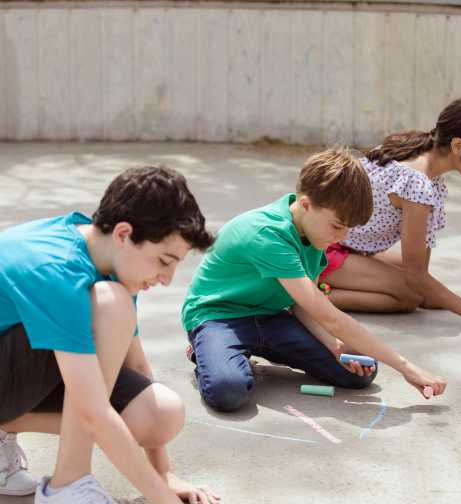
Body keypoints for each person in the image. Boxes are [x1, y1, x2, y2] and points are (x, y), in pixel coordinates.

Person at [0, 166, 243, 504]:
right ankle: (65, 489)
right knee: (110, 304)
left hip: (17, 372)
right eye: (164, 261)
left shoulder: (112, 261)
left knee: (161, 414)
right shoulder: (58, 269)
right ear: (125, 234)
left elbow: (135, 365)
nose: (167, 279)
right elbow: (91, 408)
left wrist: (164, 475)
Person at [181, 148, 446, 412]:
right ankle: (205, 351)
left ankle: (231, 354)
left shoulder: (315, 231)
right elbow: (332, 318)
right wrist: (406, 367)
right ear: (306, 204)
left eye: (348, 229)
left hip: (271, 317)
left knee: (361, 370)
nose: (342, 238)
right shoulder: (268, 235)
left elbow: (303, 305)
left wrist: (334, 346)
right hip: (219, 318)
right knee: (229, 391)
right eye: (337, 226)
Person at [321, 97, 461, 328]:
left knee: (419, 286)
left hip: (350, 245)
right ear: (458, 146)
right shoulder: (416, 184)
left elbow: (420, 269)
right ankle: (311, 296)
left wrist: (437, 297)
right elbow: (416, 277)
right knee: (409, 296)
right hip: (322, 247)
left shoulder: (416, 154)